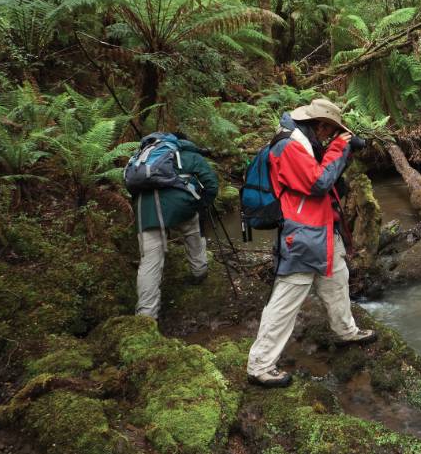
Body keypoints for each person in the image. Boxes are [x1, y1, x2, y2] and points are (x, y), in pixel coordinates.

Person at [246, 98, 375, 388]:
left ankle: (345, 330)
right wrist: (340, 148)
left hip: (321, 228)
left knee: (337, 277)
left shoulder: (305, 142)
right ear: (320, 124)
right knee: (287, 298)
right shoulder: (289, 145)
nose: (329, 137)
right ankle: (260, 365)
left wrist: (337, 151)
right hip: (302, 233)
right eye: (329, 131)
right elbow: (317, 183)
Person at [133, 132, 219, 319]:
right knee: (193, 232)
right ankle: (199, 271)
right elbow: (211, 184)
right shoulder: (189, 155)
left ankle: (145, 316)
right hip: (181, 208)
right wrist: (201, 203)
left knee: (149, 262)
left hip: (145, 212)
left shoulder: (143, 157)